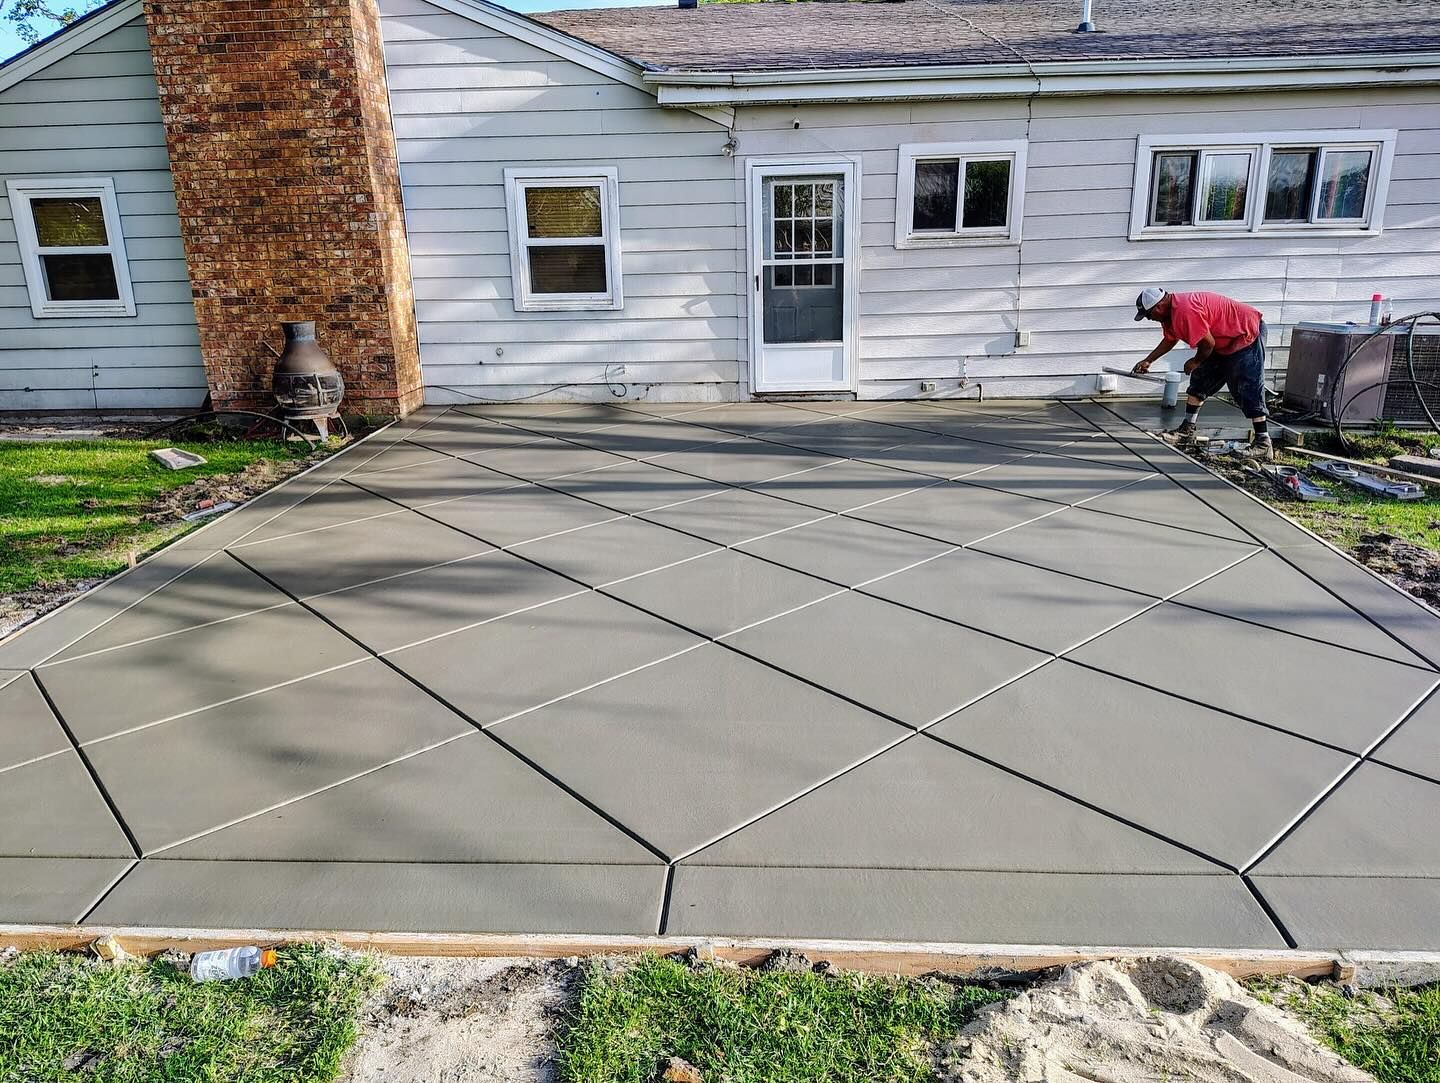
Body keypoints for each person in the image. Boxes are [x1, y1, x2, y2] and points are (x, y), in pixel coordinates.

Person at [1131, 287, 1272, 461]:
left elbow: (1208, 344)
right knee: (1200, 380)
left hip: (1245, 333)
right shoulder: (1170, 315)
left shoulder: (1184, 310)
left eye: (1148, 315)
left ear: (1158, 306)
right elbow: (1170, 339)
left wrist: (1195, 361)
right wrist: (1149, 360)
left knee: (1247, 386)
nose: (1150, 318)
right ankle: (1186, 431)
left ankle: (1263, 443)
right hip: (1222, 341)